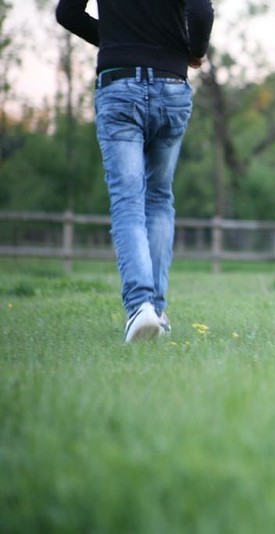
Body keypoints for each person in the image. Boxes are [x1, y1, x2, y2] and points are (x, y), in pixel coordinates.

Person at [56, 0, 214, 342]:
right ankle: (155, 309)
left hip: (120, 83)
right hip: (172, 84)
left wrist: (116, 42)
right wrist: (195, 51)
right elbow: (200, 10)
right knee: (158, 198)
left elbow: (67, 13)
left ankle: (141, 306)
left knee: (128, 201)